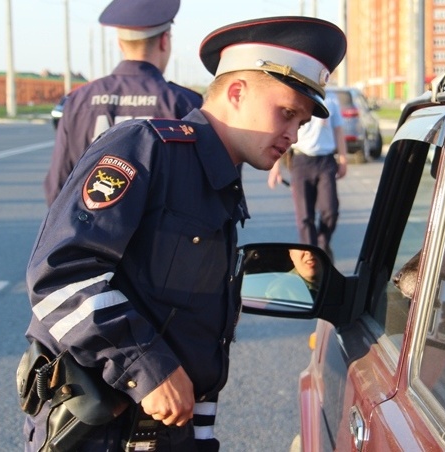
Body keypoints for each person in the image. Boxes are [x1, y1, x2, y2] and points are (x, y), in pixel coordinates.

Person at [18, 16, 346, 452]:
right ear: (236, 92)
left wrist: (201, 440)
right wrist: (146, 367)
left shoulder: (220, 180)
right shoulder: (145, 148)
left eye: (301, 123)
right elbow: (59, 276)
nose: (293, 135)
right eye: (287, 113)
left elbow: (198, 334)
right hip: (96, 433)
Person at [43, 0, 203, 206]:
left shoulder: (77, 100)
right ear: (164, 41)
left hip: (91, 223)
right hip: (163, 226)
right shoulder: (185, 103)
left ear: (120, 44)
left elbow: (58, 184)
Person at [267, 90, 349, 261]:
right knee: (305, 216)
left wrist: (343, 159)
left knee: (331, 210)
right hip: (301, 161)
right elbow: (284, 131)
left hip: (326, 161)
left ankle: (322, 243)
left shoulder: (331, 98)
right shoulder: (300, 95)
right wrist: (276, 167)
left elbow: (338, 130)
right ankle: (310, 253)